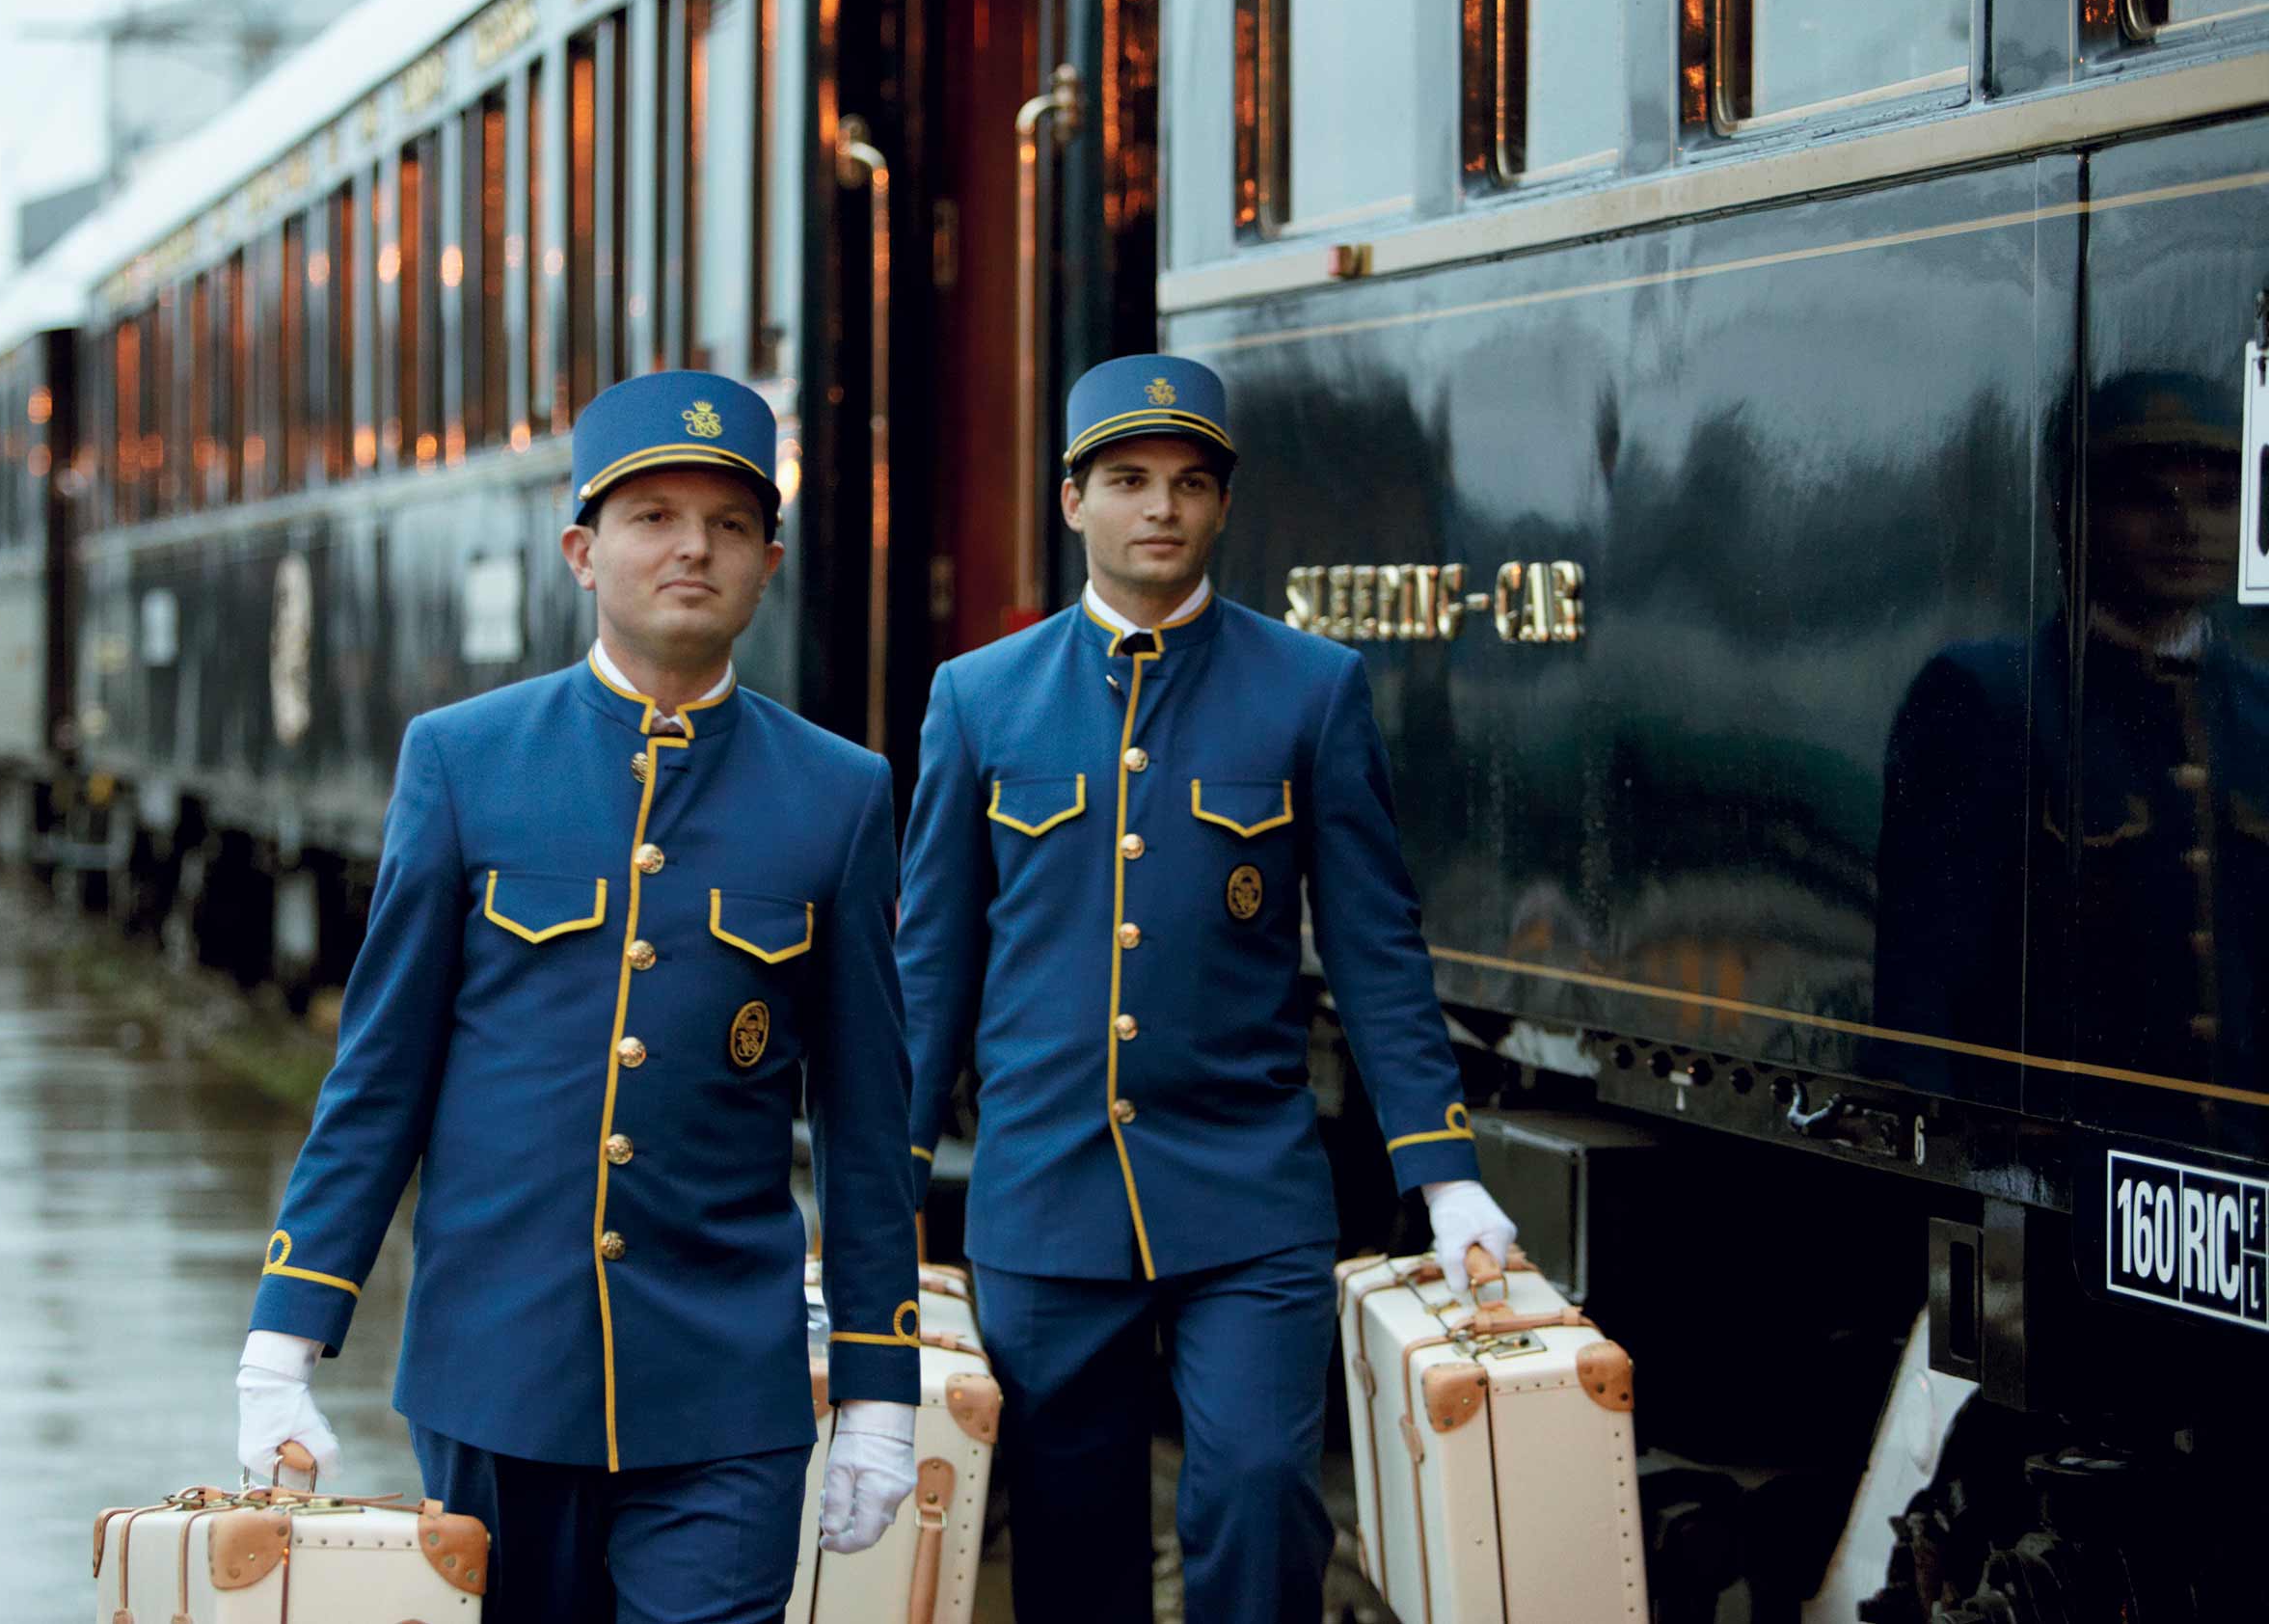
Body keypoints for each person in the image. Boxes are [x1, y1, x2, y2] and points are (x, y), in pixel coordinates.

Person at [233, 370, 922, 1622]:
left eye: (726, 523)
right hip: (500, 1372)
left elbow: (871, 1124)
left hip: (728, 1390)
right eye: (653, 516)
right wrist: (283, 1342)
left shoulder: (839, 792)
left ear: (769, 560)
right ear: (581, 550)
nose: (691, 549)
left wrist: (880, 1390)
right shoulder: (463, 761)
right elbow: (379, 1078)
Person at [896, 353, 1521, 1622]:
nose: (1161, 509)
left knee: (1257, 1490)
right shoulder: (978, 700)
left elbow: (1374, 947)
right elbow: (931, 963)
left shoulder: (1310, 687)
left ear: (1225, 507)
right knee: (1072, 1545)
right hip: (1047, 1192)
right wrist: (883, 1181)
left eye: (1190, 483)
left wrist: (1443, 1172)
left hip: (1249, 1194)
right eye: (1127, 480)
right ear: (1071, 500)